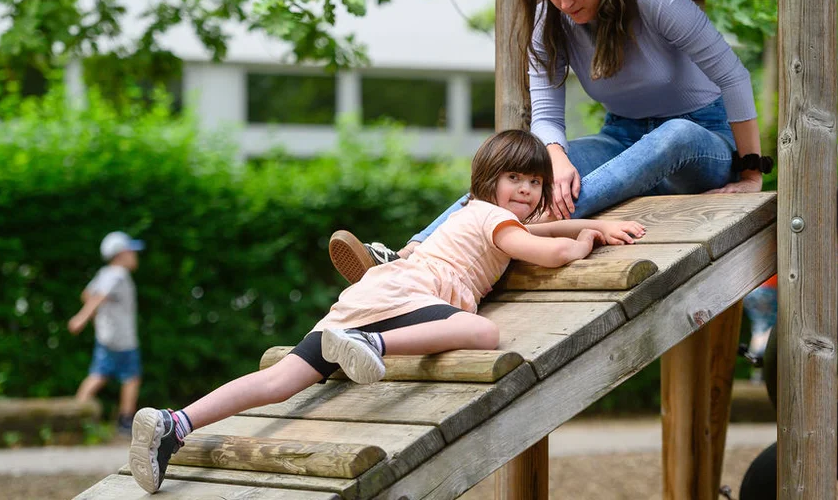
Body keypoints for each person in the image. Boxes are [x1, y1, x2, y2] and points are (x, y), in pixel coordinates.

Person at [127, 129, 645, 494]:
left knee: (279, 382)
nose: (527, 191)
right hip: (417, 298)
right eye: (516, 179)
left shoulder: (475, 213)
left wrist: (583, 226)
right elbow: (549, 250)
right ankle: (372, 345)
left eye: (534, 184)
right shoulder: (492, 217)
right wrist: (585, 241)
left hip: (374, 294)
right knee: (483, 332)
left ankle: (175, 422)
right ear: (489, 181)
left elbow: (534, 232)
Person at [328, 0, 771, 285]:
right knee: (526, 167)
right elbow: (546, 114)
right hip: (623, 136)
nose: (565, 2)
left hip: (702, 139)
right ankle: (408, 253)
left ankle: (535, 221)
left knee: (673, 133)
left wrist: (751, 174)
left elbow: (733, 76)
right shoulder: (551, 19)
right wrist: (554, 159)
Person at [68, 231, 146, 435]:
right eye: (132, 252)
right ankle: (125, 421)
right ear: (121, 254)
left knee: (98, 375)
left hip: (106, 336)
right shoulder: (119, 275)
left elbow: (87, 294)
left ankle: (74, 414)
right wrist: (82, 318)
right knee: (131, 377)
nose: (135, 256)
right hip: (123, 338)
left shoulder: (105, 272)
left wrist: (99, 319)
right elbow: (99, 297)